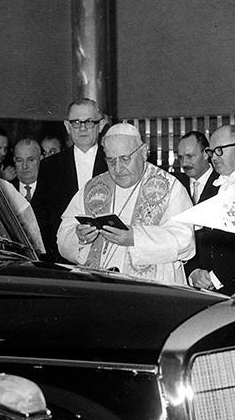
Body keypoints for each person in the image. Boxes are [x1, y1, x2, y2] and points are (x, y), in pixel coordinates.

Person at [56, 123, 194, 284]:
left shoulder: (169, 187)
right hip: (101, 287)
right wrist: (80, 238)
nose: (118, 168)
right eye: (111, 161)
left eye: (124, 159)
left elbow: (185, 240)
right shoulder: (93, 189)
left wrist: (135, 238)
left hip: (150, 291)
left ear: (143, 152)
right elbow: (64, 233)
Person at [31, 98, 109, 260]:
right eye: (76, 122)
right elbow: (40, 217)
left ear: (101, 125)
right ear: (67, 126)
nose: (82, 128)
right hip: (62, 259)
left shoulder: (113, 163)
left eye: (89, 122)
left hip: (107, 255)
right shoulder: (49, 166)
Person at [187, 124, 235, 294]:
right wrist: (193, 270)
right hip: (204, 288)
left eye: (219, 150)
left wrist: (216, 278)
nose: (213, 158)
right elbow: (194, 232)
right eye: (211, 152)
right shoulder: (211, 186)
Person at [176, 131, 214, 204]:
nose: (184, 163)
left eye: (190, 156)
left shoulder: (224, 182)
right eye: (180, 157)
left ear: (206, 154)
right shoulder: (177, 184)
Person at [12, 137, 41, 203]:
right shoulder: (6, 189)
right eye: (19, 160)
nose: (24, 166)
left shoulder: (52, 188)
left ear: (40, 159)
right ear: (14, 160)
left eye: (30, 160)